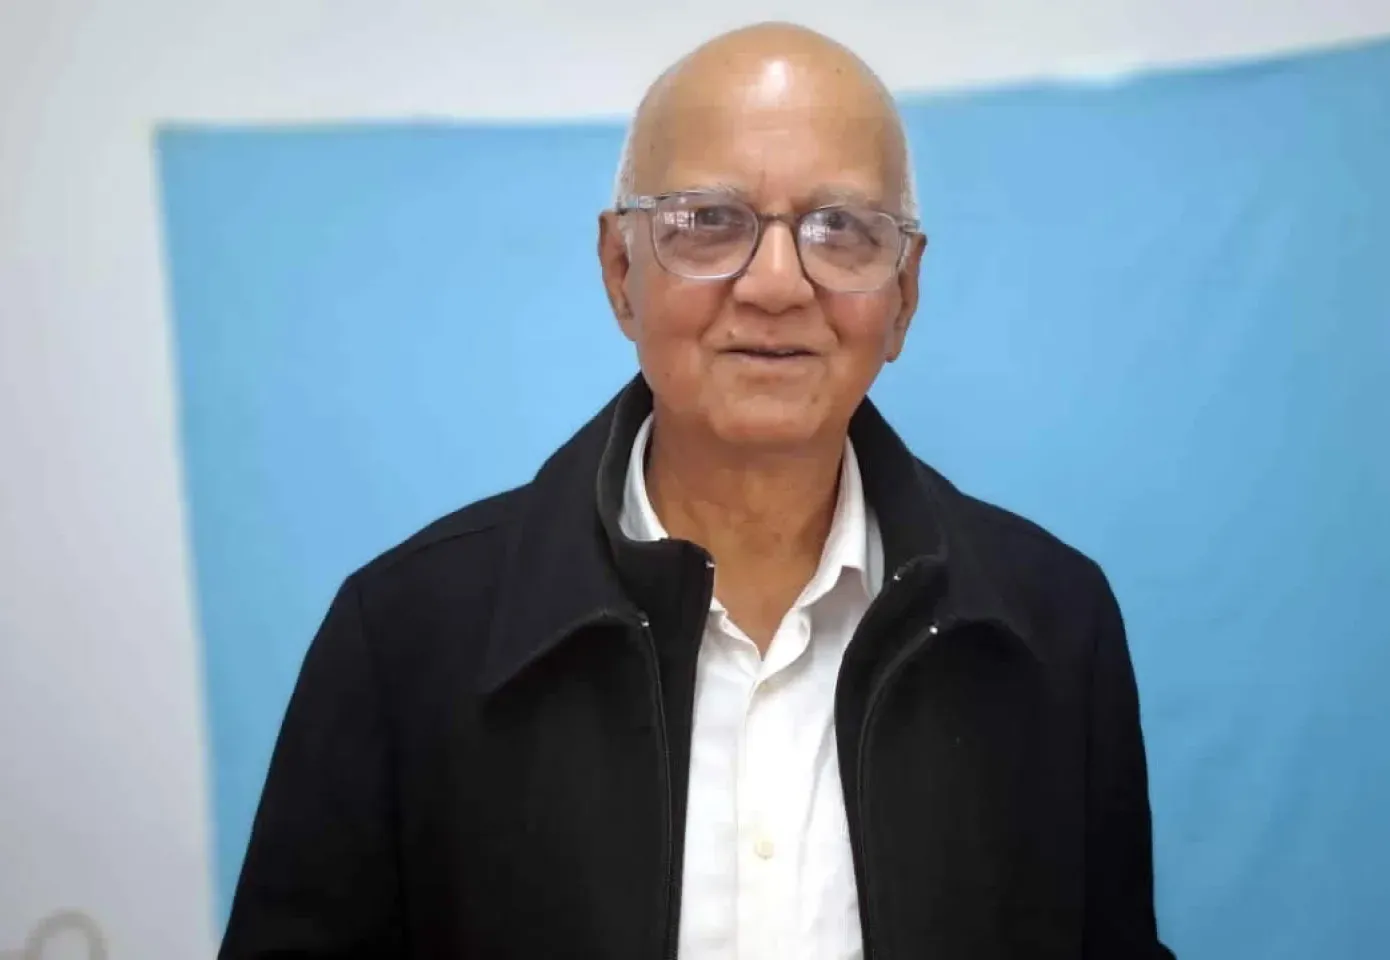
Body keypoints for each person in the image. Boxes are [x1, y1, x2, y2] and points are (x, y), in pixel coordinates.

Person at [220, 21, 1175, 960]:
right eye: (709, 222)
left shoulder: (1055, 629)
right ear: (619, 270)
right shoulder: (404, 640)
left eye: (841, 228)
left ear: (905, 294)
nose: (775, 285)